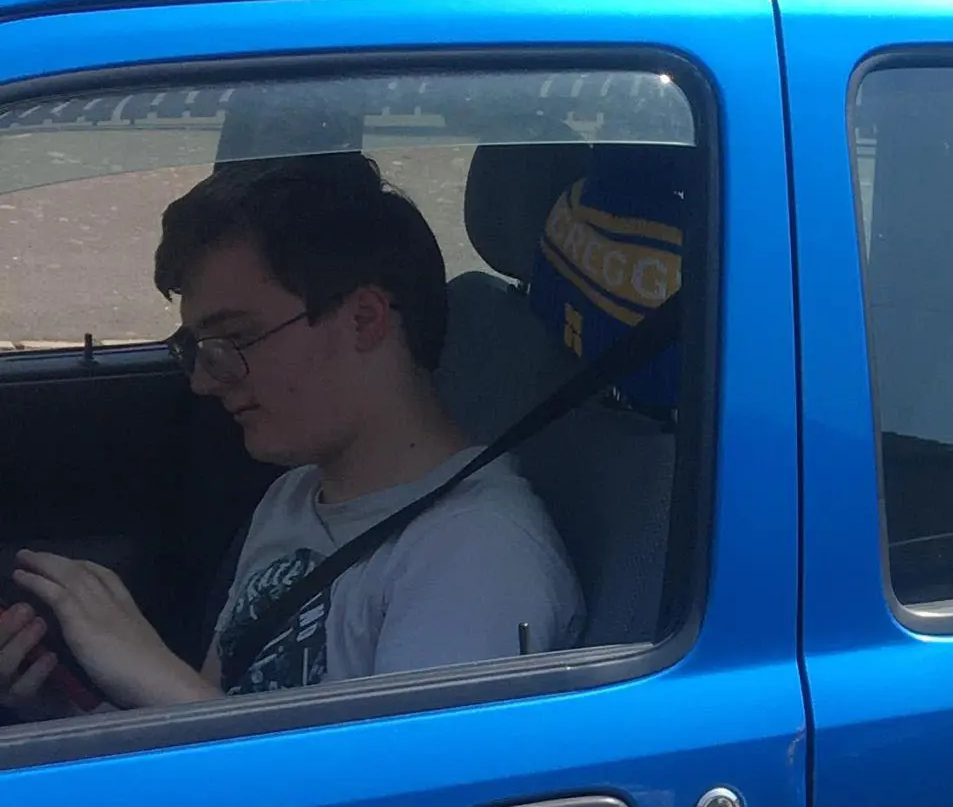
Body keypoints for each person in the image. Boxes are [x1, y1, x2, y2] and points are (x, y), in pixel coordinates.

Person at [2, 151, 583, 718]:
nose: (205, 380)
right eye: (197, 348)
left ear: (364, 320)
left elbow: (402, 784)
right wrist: (64, 712)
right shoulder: (296, 494)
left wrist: (152, 674)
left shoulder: (478, 557)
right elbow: (214, 731)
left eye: (236, 339)